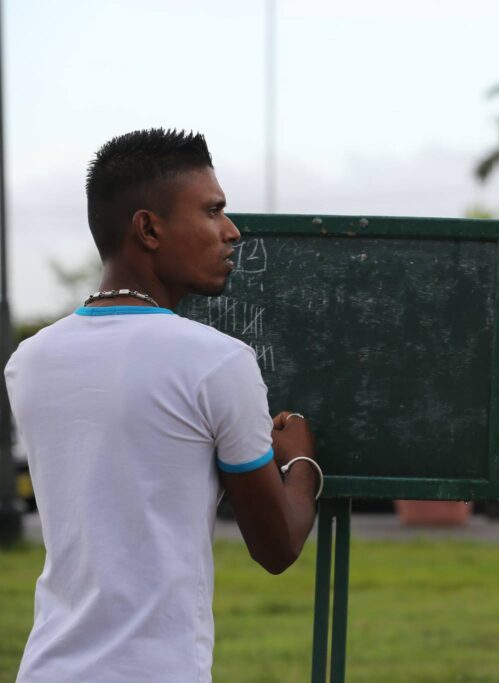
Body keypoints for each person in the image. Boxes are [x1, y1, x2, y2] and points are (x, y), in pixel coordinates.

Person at [4, 129, 320, 683]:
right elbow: (277, 546)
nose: (231, 231)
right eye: (212, 211)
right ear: (149, 229)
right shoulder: (216, 362)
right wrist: (301, 459)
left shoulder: (29, 360)